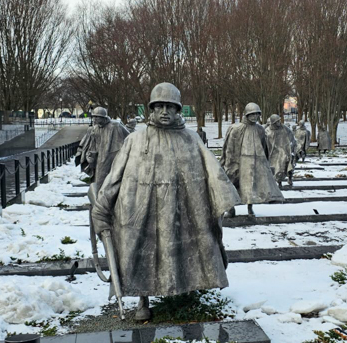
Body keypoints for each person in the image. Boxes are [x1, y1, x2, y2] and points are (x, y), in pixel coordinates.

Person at [92, 83, 240, 321]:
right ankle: (143, 299)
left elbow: (214, 172)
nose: (164, 111)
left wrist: (224, 197)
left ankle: (186, 290)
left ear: (178, 109)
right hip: (143, 208)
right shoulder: (136, 140)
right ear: (151, 108)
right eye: (159, 106)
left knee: (186, 249)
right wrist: (102, 206)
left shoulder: (191, 139)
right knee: (142, 253)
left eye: (170, 106)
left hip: (182, 207)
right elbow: (115, 175)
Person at [221, 102, 283, 216]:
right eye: (252, 114)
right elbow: (230, 147)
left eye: (257, 114)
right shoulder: (236, 128)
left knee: (252, 186)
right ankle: (230, 208)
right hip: (238, 161)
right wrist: (230, 162)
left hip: (255, 161)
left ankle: (250, 208)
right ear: (247, 114)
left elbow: (264, 146)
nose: (255, 116)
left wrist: (265, 162)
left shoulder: (260, 129)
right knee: (232, 184)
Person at [86, 107, 129, 191]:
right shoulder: (95, 129)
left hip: (115, 157)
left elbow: (129, 137)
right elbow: (93, 145)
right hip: (101, 159)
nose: (94, 119)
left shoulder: (115, 125)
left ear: (103, 117)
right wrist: (90, 155)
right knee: (100, 181)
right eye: (93, 117)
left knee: (116, 180)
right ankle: (99, 201)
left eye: (97, 117)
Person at [266, 114, 294, 187]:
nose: (279, 122)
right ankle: (279, 182)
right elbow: (265, 141)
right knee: (276, 168)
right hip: (273, 152)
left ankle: (289, 178)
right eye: (277, 121)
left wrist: (291, 146)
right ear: (273, 122)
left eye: (279, 121)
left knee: (288, 166)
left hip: (284, 151)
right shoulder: (268, 130)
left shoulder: (284, 128)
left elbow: (291, 136)